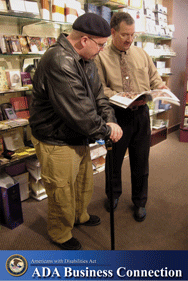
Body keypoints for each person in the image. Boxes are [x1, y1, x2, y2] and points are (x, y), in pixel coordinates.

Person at [29, 13, 123, 250]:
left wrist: (110, 121)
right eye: (100, 45)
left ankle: (79, 216)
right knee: (61, 189)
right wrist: (105, 130)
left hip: (77, 134)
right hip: (56, 138)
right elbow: (79, 111)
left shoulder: (86, 59)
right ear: (84, 40)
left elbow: (99, 97)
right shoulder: (59, 60)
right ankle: (60, 233)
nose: (102, 50)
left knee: (83, 181)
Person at [95, 12, 168, 222]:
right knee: (114, 161)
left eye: (132, 34)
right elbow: (100, 89)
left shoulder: (142, 54)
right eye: (125, 34)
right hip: (117, 116)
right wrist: (121, 97)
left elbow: (155, 79)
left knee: (141, 162)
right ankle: (113, 195)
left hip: (142, 115)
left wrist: (161, 88)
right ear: (113, 32)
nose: (129, 39)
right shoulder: (101, 57)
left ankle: (140, 202)